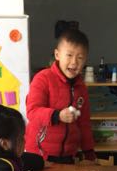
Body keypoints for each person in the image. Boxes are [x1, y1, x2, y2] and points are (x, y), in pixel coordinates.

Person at [24, 26, 96, 163]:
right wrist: (57, 115)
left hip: (68, 154)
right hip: (40, 154)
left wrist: (89, 151)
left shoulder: (81, 88)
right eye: (69, 55)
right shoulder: (42, 79)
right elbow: (32, 111)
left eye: (80, 57)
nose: (74, 62)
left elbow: (84, 123)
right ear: (57, 55)